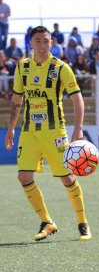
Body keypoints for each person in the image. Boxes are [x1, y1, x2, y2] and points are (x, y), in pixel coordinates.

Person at [4, 26, 91, 241]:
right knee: (24, 177)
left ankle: (82, 222)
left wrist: (78, 128)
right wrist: (10, 129)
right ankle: (47, 221)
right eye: (38, 41)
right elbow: (16, 102)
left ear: (51, 42)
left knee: (66, 177)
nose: (42, 45)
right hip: (29, 132)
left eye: (46, 41)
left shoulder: (61, 68)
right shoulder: (22, 67)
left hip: (55, 132)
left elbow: (77, 99)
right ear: (30, 43)